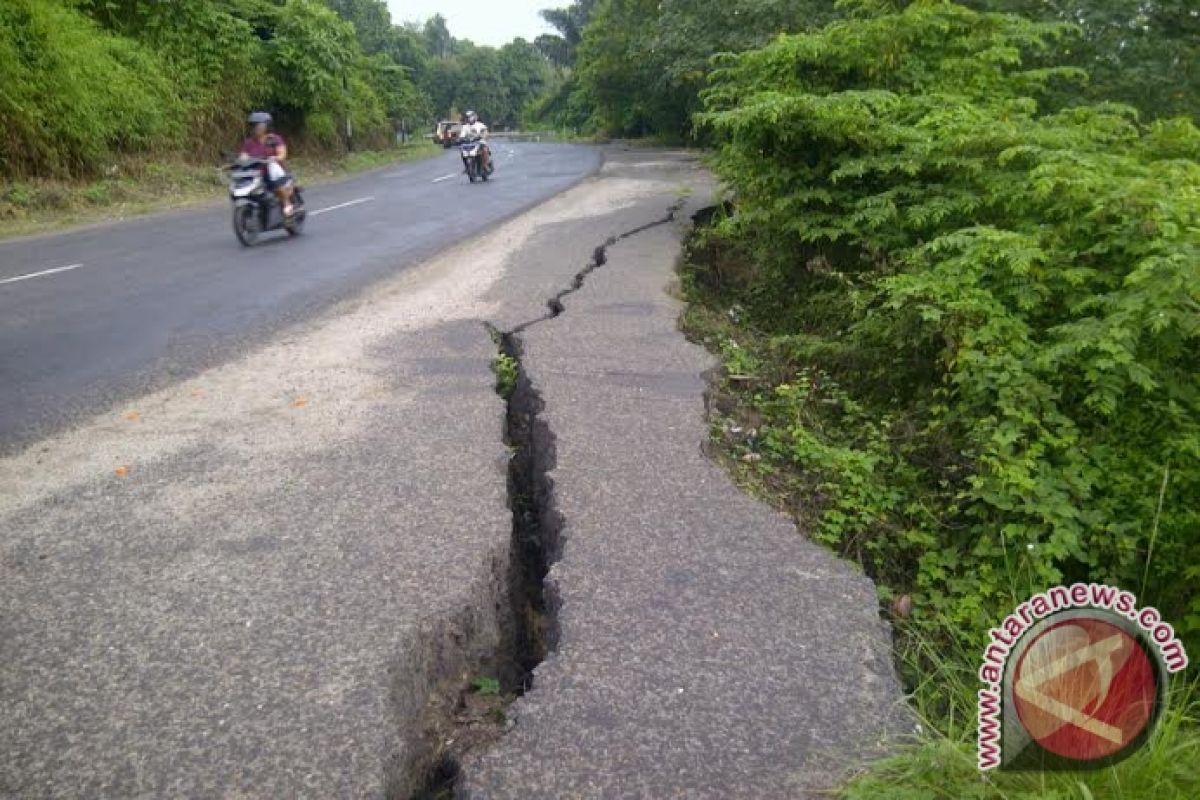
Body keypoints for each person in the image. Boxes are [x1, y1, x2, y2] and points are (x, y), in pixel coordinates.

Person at [239, 112, 295, 219]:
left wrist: (275, 158)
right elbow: (243, 156)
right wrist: (241, 161)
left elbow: (282, 153)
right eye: (253, 126)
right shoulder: (249, 143)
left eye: (258, 125)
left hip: (275, 173)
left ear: (266, 126)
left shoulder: (274, 139)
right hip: (256, 175)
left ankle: (287, 205)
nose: (256, 129)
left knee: (277, 186)